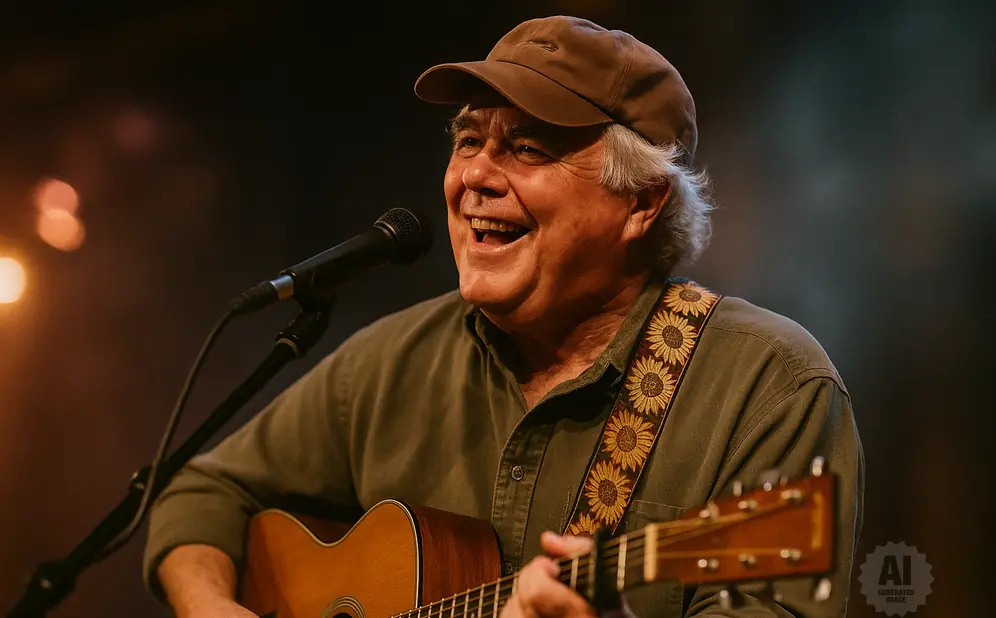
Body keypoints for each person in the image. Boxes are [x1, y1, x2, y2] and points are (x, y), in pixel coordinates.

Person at [143, 14, 864, 618]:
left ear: (640, 202)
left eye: (526, 148)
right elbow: (201, 491)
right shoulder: (388, 364)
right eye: (467, 141)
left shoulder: (769, 385)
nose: (475, 177)